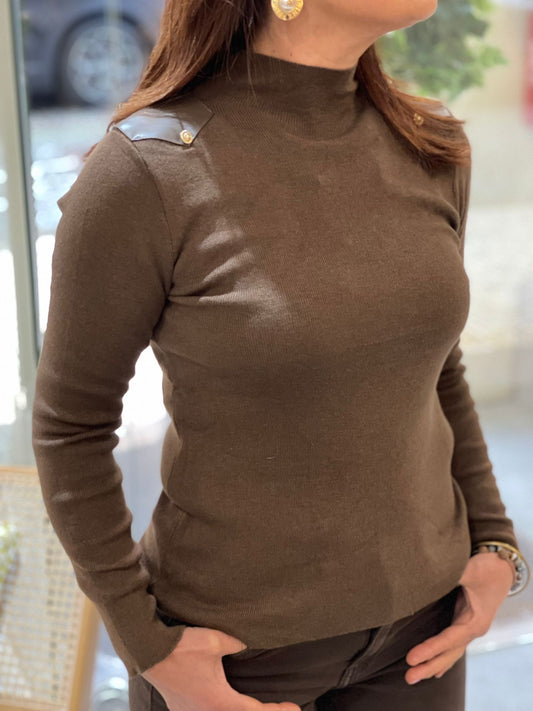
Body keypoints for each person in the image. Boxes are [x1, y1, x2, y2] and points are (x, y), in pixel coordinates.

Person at [32, 0, 530, 710]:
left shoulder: (427, 144)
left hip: (423, 637)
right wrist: (146, 642)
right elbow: (70, 427)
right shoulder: (145, 172)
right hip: (236, 659)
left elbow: (437, 369)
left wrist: (493, 540)